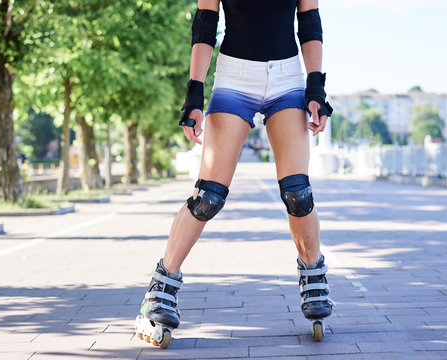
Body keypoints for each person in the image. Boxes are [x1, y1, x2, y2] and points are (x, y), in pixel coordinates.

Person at [135, 0, 335, 348]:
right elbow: (205, 24)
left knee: (297, 192)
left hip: (287, 77)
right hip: (233, 78)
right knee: (208, 196)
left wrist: (316, 87)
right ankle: (161, 286)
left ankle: (312, 273)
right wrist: (194, 93)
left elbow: (310, 23)